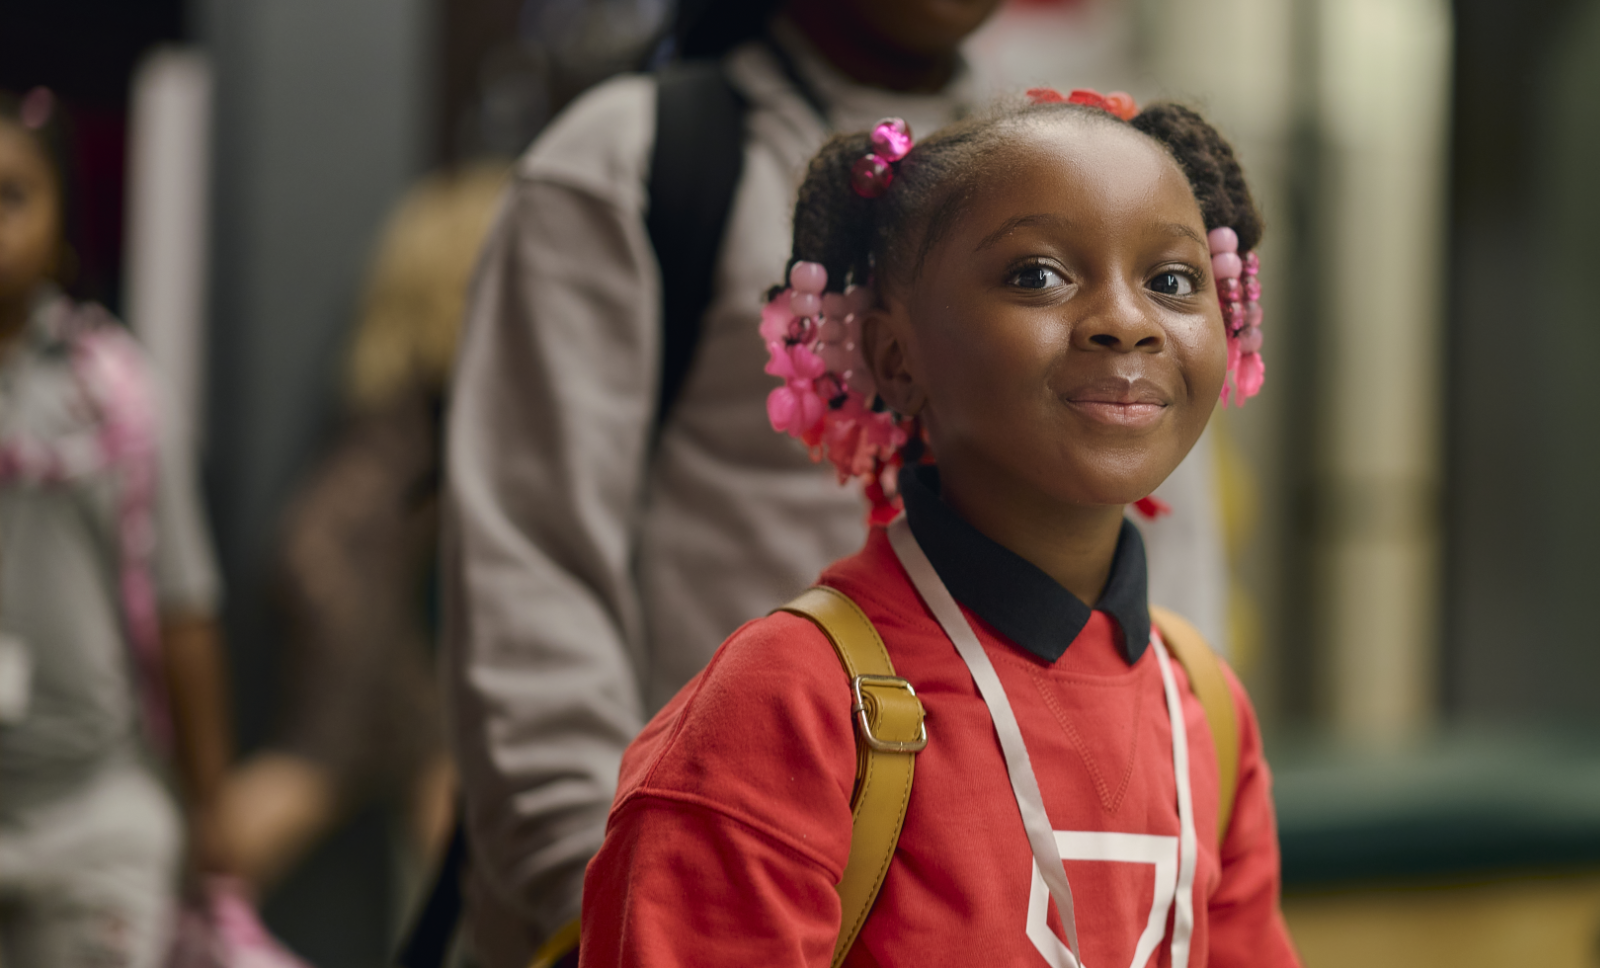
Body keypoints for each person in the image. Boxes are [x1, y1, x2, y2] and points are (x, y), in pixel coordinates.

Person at [580, 90, 1296, 966]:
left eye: (1173, 280)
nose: (1126, 320)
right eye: (1037, 275)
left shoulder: (1205, 710)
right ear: (893, 357)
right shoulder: (788, 704)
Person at [443, 2, 1001, 962]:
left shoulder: (1076, 177)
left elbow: (1158, 555)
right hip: (702, 907)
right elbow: (529, 566)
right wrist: (599, 908)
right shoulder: (630, 161)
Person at [0, 87, 233, 967]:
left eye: (13, 196)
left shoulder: (120, 395)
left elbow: (185, 610)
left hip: (94, 821)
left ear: (62, 223)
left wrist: (210, 805)